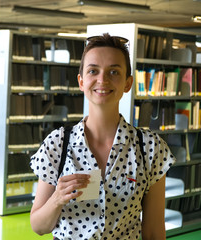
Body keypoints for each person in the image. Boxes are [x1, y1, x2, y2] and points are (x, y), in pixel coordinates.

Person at [29, 33, 175, 240]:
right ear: (81, 81)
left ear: (128, 83)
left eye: (114, 71)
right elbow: (38, 226)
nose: (102, 80)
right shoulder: (57, 144)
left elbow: (153, 232)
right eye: (93, 71)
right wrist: (57, 199)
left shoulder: (150, 148)